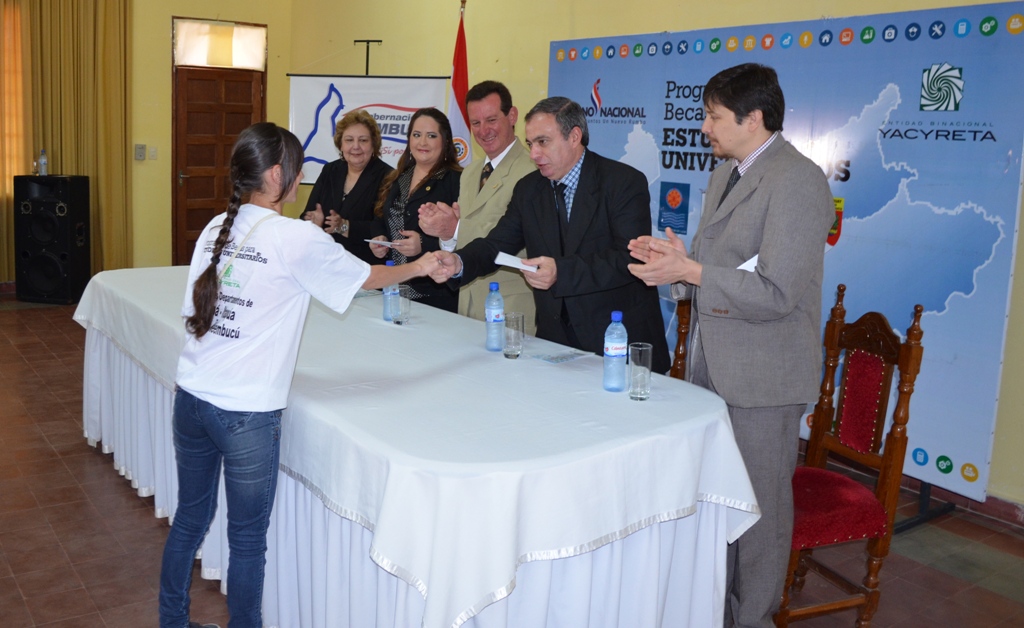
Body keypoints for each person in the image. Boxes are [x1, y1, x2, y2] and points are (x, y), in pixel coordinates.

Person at [160, 122, 438, 628]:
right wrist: (418, 267)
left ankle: (172, 621)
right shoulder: (294, 236)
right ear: (275, 174)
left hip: (192, 397)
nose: (302, 175)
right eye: (296, 167)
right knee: (246, 542)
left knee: (189, 521)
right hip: (243, 412)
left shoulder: (215, 227)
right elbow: (366, 278)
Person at [626, 63, 835, 628]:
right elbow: (714, 267)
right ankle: (710, 610)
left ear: (755, 118)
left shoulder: (797, 180)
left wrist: (692, 269)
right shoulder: (728, 174)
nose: (704, 128)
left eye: (714, 116)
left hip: (763, 379)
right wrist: (672, 264)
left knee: (759, 514)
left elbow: (777, 292)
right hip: (712, 368)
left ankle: (753, 619)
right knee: (716, 502)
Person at [431, 97, 669, 373]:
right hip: (554, 343)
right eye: (530, 144)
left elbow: (629, 259)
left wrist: (561, 272)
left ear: (574, 137)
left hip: (614, 341)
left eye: (543, 142)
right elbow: (497, 244)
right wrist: (459, 262)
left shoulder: (623, 182)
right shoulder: (529, 189)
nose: (533, 154)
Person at [418, 81, 537, 332]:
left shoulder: (532, 171)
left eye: (491, 120)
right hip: (468, 303)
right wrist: (447, 235)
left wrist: (456, 227)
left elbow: (524, 241)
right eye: (476, 123)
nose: (484, 131)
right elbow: (461, 240)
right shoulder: (471, 171)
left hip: (510, 309)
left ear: (512, 115)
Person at [370, 107, 461, 312]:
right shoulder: (397, 177)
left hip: (436, 293)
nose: (422, 142)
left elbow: (464, 233)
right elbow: (379, 217)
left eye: (431, 136)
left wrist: (423, 244)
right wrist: (380, 238)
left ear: (445, 141)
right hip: (395, 287)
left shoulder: (457, 180)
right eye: (416, 135)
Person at [300, 109, 393, 266]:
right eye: (349, 140)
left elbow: (386, 227)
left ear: (374, 144)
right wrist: (313, 221)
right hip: (326, 263)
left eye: (363, 140)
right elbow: (307, 214)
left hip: (364, 266)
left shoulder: (388, 176)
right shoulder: (330, 170)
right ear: (340, 145)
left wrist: (345, 226)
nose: (355, 146)